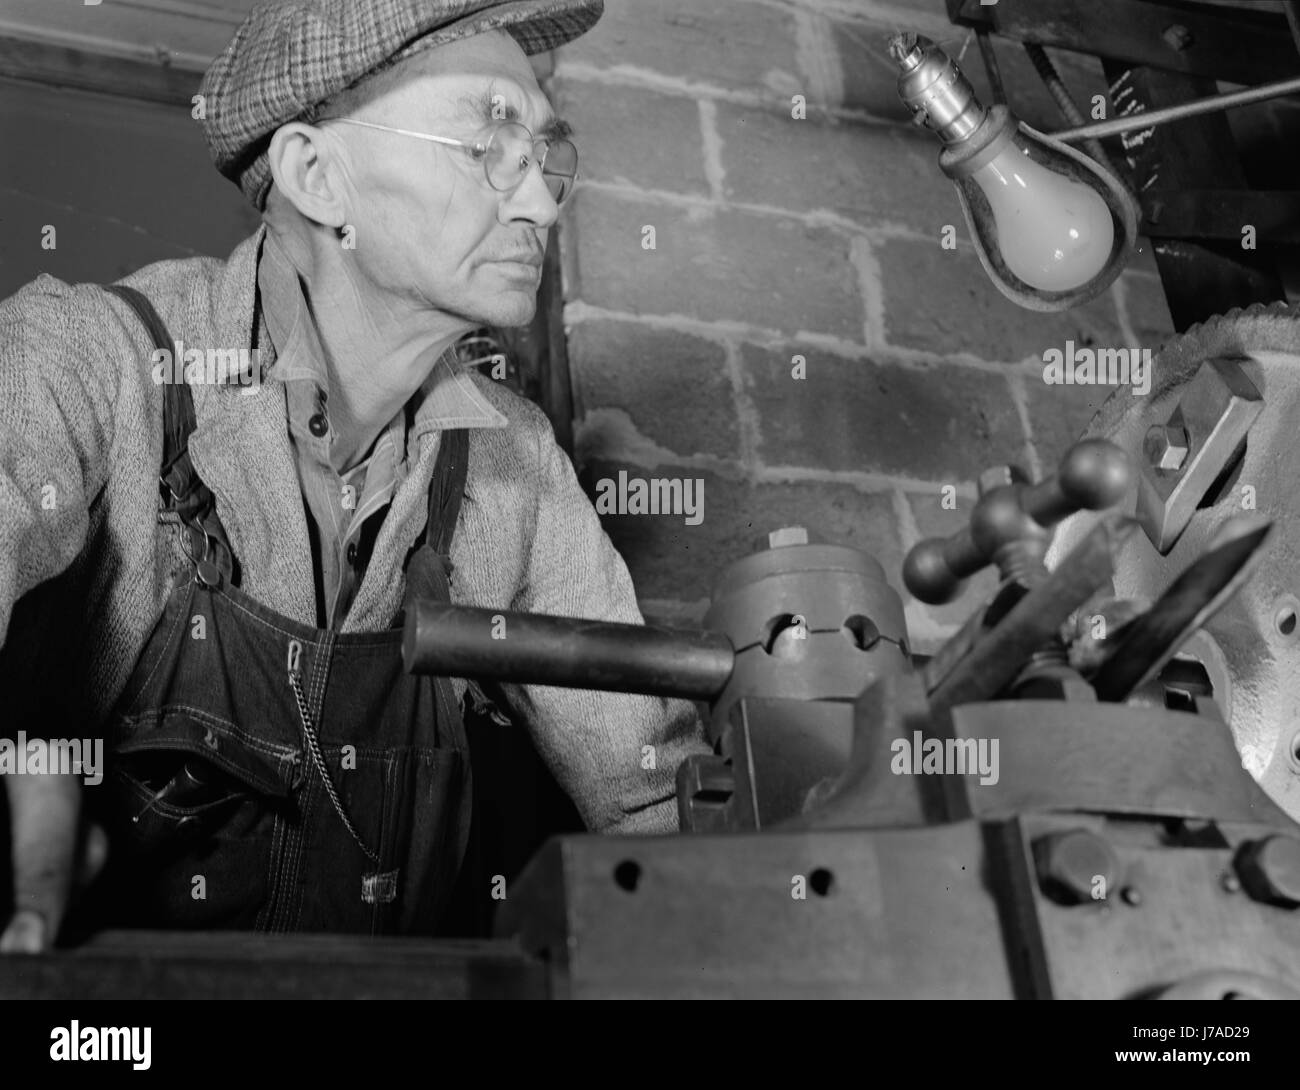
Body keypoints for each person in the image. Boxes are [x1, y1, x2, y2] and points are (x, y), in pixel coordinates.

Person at [0, 0, 708, 950]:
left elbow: (652, 800)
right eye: (489, 145)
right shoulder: (92, 364)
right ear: (316, 174)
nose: (540, 201)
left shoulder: (515, 465)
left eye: (546, 154)